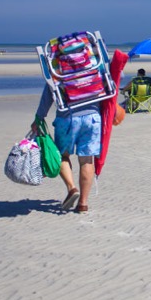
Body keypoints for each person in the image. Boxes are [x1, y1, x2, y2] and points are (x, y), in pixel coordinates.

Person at [34, 83, 102, 213]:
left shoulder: (57, 63)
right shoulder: (94, 62)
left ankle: (72, 188)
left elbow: (49, 91)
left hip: (67, 117)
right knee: (87, 160)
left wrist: (39, 117)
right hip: (92, 117)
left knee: (62, 155)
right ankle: (83, 203)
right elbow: (114, 77)